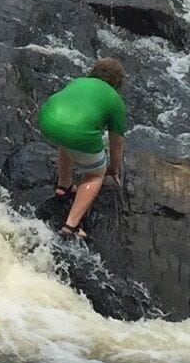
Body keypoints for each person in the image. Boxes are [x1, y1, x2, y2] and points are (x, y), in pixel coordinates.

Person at [36, 55, 128, 238]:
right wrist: (112, 169)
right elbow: (116, 142)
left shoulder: (78, 81)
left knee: (66, 141)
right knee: (95, 175)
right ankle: (71, 226)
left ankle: (64, 185)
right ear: (117, 81)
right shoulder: (115, 100)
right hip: (78, 133)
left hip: (47, 119)